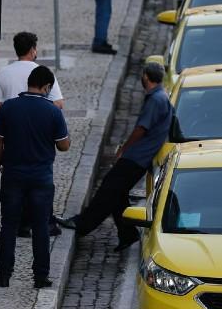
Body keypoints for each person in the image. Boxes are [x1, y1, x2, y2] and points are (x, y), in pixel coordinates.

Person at [56, 62, 172, 251]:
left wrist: (123, 149)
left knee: (108, 190)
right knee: (118, 194)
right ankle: (128, 234)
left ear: (145, 77)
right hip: (141, 157)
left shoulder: (156, 100)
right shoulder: (161, 97)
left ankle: (83, 224)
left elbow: (141, 129)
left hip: (136, 157)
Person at [0, 66, 71, 289]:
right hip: (41, 178)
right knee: (40, 227)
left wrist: (1, 162)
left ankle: (4, 275)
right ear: (46, 87)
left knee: (8, 224)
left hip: (13, 175)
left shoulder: (9, 107)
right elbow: (63, 145)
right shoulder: (53, 112)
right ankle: (40, 276)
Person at [0, 31, 64, 237]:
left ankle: (21, 224)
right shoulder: (42, 72)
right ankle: (46, 222)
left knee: (15, 179)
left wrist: (2, 132)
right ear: (33, 50)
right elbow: (58, 103)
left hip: (12, 133)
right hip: (39, 133)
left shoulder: (3, 73)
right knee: (42, 178)